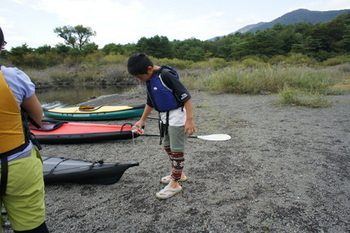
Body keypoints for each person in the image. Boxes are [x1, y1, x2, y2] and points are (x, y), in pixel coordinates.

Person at [0, 27, 49, 232]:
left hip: (15, 163)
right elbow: (38, 117)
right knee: (32, 227)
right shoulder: (12, 76)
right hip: (17, 163)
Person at [127, 53, 195, 200]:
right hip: (164, 117)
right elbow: (150, 102)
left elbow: (187, 97)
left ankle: (175, 183)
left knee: (177, 151)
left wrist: (189, 120)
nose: (140, 80)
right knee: (167, 146)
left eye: (140, 77)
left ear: (150, 69)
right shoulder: (149, 80)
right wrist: (141, 120)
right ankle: (179, 173)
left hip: (177, 116)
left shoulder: (166, 76)